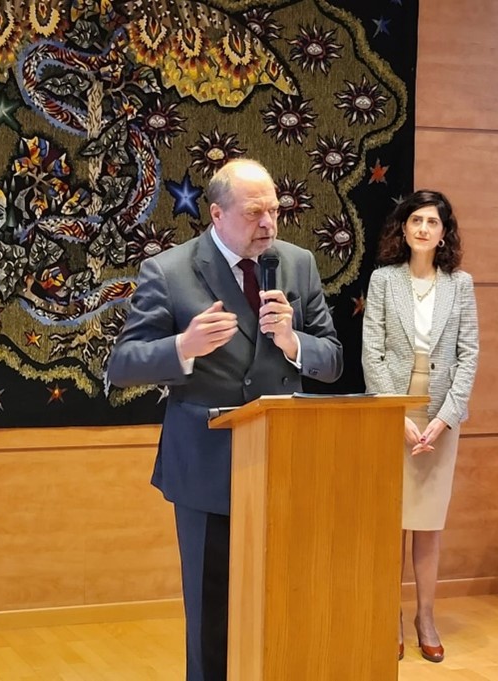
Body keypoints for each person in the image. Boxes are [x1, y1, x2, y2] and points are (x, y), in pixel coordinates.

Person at [108, 158, 343, 681]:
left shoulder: (297, 264)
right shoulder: (169, 271)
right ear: (216, 214)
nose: (269, 225)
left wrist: (293, 342)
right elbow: (122, 365)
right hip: (207, 468)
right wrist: (182, 348)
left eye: (275, 211)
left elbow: (332, 360)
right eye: (255, 212)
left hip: (286, 463)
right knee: (212, 612)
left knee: (285, 602)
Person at [361, 189, 479, 663]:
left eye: (433, 222)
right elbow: (372, 351)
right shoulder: (384, 280)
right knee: (392, 523)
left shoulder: (461, 284)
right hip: (393, 407)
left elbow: (469, 356)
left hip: (441, 416)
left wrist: (446, 419)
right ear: (404, 229)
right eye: (417, 221)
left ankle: (425, 616)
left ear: (444, 232)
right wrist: (395, 414)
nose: (424, 229)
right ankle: (388, 616)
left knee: (428, 524)